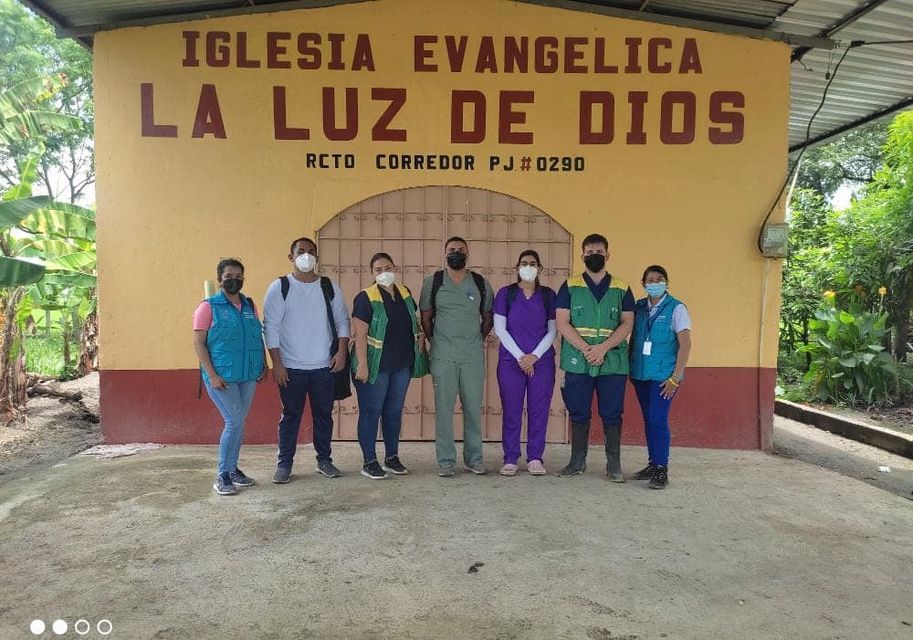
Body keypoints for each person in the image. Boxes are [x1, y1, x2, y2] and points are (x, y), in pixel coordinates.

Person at [263, 237, 350, 483]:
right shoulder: (280, 287)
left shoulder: (329, 287)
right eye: (301, 251)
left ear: (317, 256)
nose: (306, 256)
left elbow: (343, 321)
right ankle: (284, 464)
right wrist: (277, 363)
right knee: (290, 416)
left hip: (324, 367)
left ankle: (324, 460)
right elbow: (270, 327)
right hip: (291, 368)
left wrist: (341, 352)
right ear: (291, 257)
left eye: (311, 251)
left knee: (324, 415)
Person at [555, 233, 635, 481]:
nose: (594, 256)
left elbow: (627, 323)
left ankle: (614, 466)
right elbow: (562, 322)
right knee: (578, 411)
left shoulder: (622, 287)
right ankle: (577, 462)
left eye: (599, 252)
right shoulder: (570, 286)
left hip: (612, 361)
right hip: (578, 360)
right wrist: (587, 350)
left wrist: (602, 349)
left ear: (608, 255)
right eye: (589, 252)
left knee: (612, 413)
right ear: (582, 256)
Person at [420, 236, 495, 477]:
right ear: (445, 253)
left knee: (473, 408)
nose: (456, 253)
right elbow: (426, 317)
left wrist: (475, 339)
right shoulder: (433, 282)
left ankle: (474, 459)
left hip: (472, 357)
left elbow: (488, 318)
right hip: (443, 356)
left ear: (467, 254)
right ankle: (445, 462)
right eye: (452, 249)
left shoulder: (480, 283)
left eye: (461, 249)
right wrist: (437, 342)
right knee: (444, 411)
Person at [192, 258, 267, 496]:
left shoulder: (249, 305)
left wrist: (264, 364)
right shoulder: (208, 307)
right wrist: (212, 375)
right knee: (234, 421)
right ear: (219, 280)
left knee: (239, 422)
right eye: (228, 277)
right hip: (222, 376)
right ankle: (222, 475)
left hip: (248, 374)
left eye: (238, 277)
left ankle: (233, 470)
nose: (234, 281)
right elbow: (199, 344)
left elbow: (257, 337)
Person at [351, 252, 427, 480]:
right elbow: (360, 335)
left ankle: (392, 457)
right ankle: (369, 461)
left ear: (395, 268)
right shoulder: (365, 298)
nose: (384, 273)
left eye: (388, 268)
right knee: (371, 412)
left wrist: (420, 338)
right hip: (375, 366)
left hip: (401, 365)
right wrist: (362, 364)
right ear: (372, 273)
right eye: (378, 270)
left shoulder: (405, 293)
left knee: (393, 412)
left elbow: (414, 321)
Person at [493, 250, 557, 476]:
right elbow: (500, 329)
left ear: (540, 268)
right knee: (511, 409)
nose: (528, 267)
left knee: (539, 410)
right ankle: (510, 458)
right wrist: (521, 357)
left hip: (541, 361)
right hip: (511, 361)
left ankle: (535, 458)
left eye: (532, 263)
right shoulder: (506, 294)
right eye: (524, 263)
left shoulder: (548, 295)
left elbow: (552, 331)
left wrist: (534, 356)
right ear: (517, 268)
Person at [629, 265, 692, 489]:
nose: (655, 283)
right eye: (650, 280)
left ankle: (661, 469)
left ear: (666, 283)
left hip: (664, 378)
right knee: (649, 419)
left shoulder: (677, 308)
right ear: (643, 284)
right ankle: (653, 463)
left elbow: (685, 344)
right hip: (641, 375)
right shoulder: (639, 307)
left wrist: (676, 377)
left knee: (657, 419)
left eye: (659, 279)